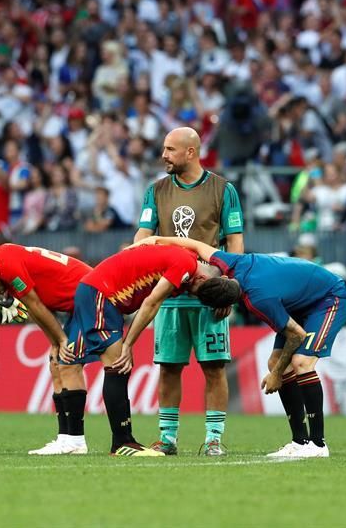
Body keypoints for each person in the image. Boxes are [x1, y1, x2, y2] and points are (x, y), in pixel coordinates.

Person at [132, 235, 346, 458]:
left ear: (227, 306)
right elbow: (196, 245)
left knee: (301, 362)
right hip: (302, 302)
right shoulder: (230, 263)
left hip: (330, 297)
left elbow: (297, 335)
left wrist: (276, 376)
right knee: (275, 362)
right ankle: (300, 441)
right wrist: (156, 239)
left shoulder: (258, 299)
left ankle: (318, 444)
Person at [134, 127, 244, 456]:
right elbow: (143, 236)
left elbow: (235, 243)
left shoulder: (223, 190)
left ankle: (213, 439)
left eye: (170, 149)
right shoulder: (156, 190)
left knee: (214, 367)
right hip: (169, 294)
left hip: (208, 295)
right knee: (168, 367)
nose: (164, 155)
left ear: (191, 152)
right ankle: (167, 438)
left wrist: (229, 289)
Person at [58, 243, 210, 457]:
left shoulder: (188, 260)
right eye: (196, 293)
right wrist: (128, 344)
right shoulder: (185, 265)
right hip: (101, 294)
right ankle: (122, 442)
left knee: (106, 366)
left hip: (98, 291)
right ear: (201, 278)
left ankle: (98, 440)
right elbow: (151, 303)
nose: (192, 295)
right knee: (118, 366)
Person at [0, 244, 93, 455]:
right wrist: (55, 342)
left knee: (68, 363)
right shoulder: (3, 258)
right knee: (56, 364)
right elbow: (33, 308)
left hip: (90, 296)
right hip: (81, 300)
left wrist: (62, 339)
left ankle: (77, 440)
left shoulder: (7, 267)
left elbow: (35, 304)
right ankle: (65, 438)